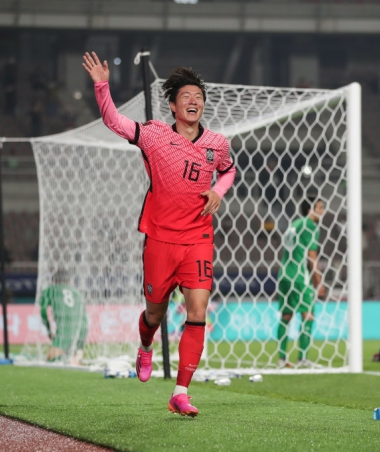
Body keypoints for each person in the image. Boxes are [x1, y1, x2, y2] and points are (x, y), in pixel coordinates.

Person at [83, 51, 236, 417]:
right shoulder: (153, 135)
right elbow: (114, 121)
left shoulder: (217, 143)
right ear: (173, 106)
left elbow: (229, 170)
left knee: (197, 311)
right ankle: (146, 345)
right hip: (160, 240)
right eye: (186, 96)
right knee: (155, 313)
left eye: (198, 96)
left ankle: (180, 393)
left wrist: (218, 191)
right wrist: (102, 86)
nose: (194, 101)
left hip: (198, 239)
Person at [276, 198, 325, 368]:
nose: (322, 211)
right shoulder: (310, 226)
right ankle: (303, 358)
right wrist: (318, 282)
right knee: (308, 314)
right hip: (300, 276)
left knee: (286, 316)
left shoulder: (295, 224)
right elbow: (312, 256)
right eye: (320, 207)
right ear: (310, 209)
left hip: (284, 274)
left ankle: (281, 359)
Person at [39, 269, 88, 365]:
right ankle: (76, 356)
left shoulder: (50, 290)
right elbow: (83, 314)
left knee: (51, 361)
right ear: (69, 281)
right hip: (82, 328)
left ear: (53, 281)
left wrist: (49, 330)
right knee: (75, 359)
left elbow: (43, 311)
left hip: (66, 330)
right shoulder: (77, 292)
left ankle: (69, 359)